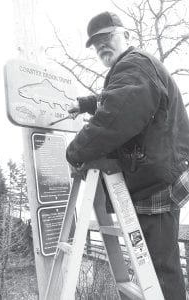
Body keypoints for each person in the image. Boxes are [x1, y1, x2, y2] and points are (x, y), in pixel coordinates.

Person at [66, 11, 189, 300]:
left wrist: (75, 152)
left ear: (127, 36)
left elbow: (117, 116)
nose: (101, 47)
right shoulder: (135, 67)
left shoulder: (134, 65)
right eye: (96, 45)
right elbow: (119, 98)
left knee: (159, 270)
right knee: (154, 265)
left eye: (107, 38)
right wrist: (87, 103)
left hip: (155, 182)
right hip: (158, 174)